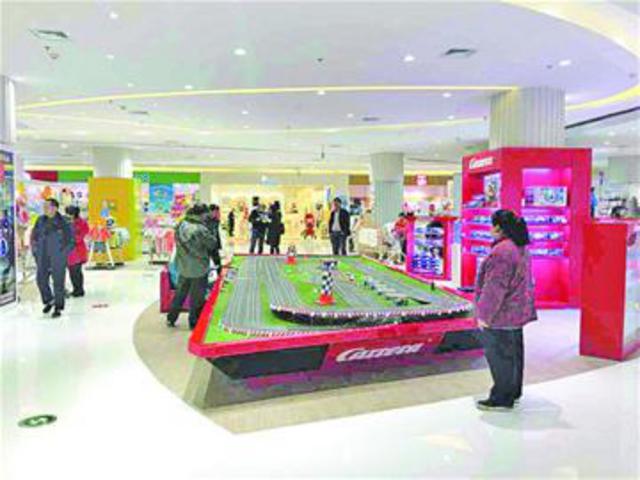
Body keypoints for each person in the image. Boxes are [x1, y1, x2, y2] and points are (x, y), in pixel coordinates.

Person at [475, 209, 537, 411]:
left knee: (500, 356)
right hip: (517, 311)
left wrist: (484, 315)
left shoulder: (501, 252)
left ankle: (501, 398)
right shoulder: (520, 246)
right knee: (514, 356)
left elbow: (494, 288)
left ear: (499, 227)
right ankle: (513, 392)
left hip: (502, 314)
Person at [167, 204, 216, 330]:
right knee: (197, 297)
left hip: (183, 265)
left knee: (180, 293)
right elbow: (212, 244)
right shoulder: (200, 229)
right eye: (206, 215)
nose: (207, 217)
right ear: (201, 214)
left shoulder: (181, 225)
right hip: (198, 267)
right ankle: (194, 322)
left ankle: (171, 318)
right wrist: (212, 230)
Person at [31, 198, 75, 318]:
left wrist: (63, 254)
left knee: (58, 283)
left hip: (58, 257)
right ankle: (49, 300)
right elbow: (34, 237)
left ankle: (58, 307)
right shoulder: (40, 220)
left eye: (47, 206)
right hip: (42, 256)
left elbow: (71, 241)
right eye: (44, 206)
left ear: (55, 208)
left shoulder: (64, 222)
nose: (44, 209)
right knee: (41, 280)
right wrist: (35, 251)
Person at [65, 206, 89, 297]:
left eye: (70, 214)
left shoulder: (81, 222)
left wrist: (73, 239)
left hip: (78, 250)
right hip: (69, 251)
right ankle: (76, 289)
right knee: (72, 271)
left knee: (76, 271)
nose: (69, 216)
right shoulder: (65, 221)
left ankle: (79, 290)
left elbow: (83, 233)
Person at [206, 204, 223, 275]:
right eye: (215, 212)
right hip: (206, 245)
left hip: (214, 245)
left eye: (218, 212)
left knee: (217, 262)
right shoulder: (205, 220)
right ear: (210, 211)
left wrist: (219, 244)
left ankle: (219, 275)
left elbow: (216, 233)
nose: (217, 214)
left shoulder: (216, 220)